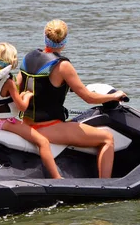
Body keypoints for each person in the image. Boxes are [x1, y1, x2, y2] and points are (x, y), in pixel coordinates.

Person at [16, 19, 127, 178]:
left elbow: (20, 86)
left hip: (26, 124)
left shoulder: (29, 58)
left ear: (45, 36)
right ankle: (106, 184)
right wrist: (114, 96)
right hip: (48, 127)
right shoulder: (63, 66)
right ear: (64, 41)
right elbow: (88, 97)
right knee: (107, 139)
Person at [0, 42, 62, 179]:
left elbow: (2, 98)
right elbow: (22, 107)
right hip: (5, 122)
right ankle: (57, 177)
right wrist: (28, 95)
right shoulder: (9, 82)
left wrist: (20, 96)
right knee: (43, 142)